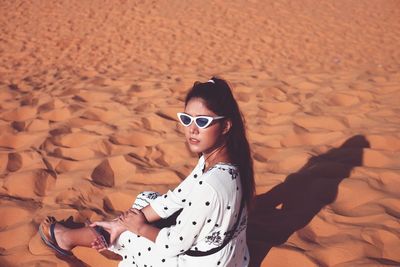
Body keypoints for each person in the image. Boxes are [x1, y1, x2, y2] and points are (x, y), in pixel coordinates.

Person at [39, 77, 255, 267]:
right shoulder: (226, 160)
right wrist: (119, 224)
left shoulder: (212, 184)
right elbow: (176, 199)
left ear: (226, 126)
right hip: (232, 258)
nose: (192, 129)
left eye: (202, 121)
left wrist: (138, 227)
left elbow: (174, 244)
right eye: (187, 119)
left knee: (131, 234)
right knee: (145, 201)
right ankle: (115, 235)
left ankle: (66, 238)